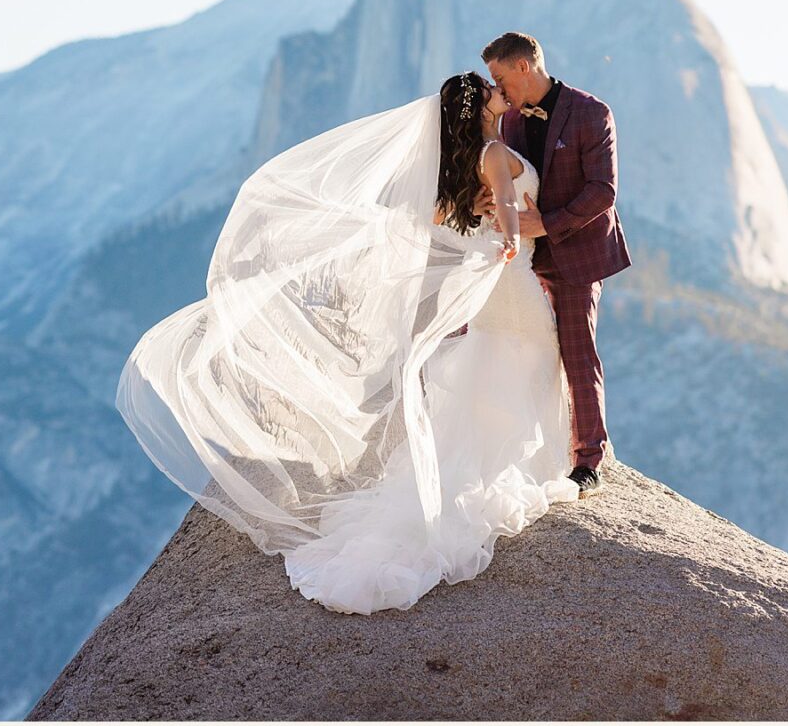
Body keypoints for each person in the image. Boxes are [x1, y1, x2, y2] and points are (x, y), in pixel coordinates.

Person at [115, 70, 582, 615]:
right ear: (481, 107)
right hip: (511, 276)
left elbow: (440, 216)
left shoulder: (461, 163)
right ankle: (531, 461)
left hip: (491, 287)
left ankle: (489, 463)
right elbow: (506, 205)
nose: (504, 95)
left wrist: (481, 220)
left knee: (493, 361)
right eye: (496, 93)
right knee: (535, 357)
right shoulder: (497, 153)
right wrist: (513, 235)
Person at [481, 31, 632, 495]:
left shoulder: (591, 112)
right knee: (518, 348)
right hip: (521, 260)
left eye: (500, 76)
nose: (498, 87)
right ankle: (527, 447)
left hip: (576, 254)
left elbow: (602, 192)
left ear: (524, 67)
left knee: (576, 351)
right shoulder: (506, 123)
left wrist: (544, 224)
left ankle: (588, 460)